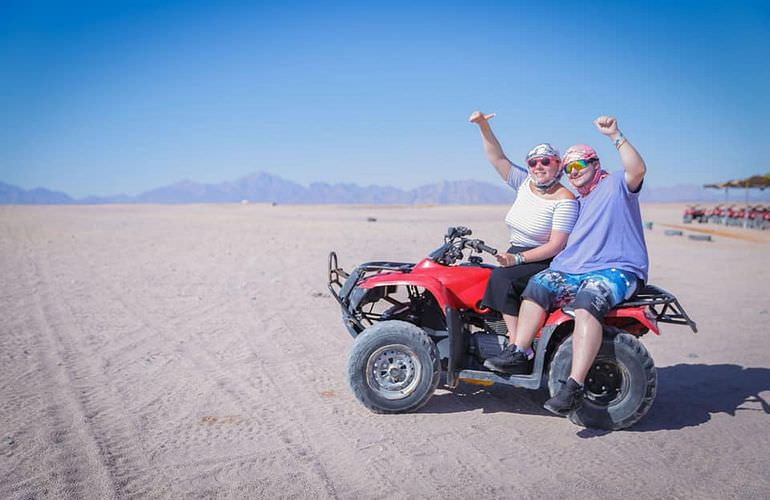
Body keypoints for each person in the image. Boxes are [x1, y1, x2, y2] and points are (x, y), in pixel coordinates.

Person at [483, 115, 648, 416]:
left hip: (616, 269)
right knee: (538, 285)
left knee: (587, 303)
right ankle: (519, 349)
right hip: (575, 269)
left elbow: (637, 169)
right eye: (569, 168)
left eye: (578, 165)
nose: (573, 172)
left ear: (595, 165)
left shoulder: (615, 186)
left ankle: (573, 386)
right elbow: (500, 161)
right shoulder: (576, 200)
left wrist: (615, 135)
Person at [468, 111, 578, 362]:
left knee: (501, 279)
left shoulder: (565, 199)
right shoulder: (524, 183)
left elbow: (556, 245)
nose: (539, 167)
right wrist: (483, 126)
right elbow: (496, 157)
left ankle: (519, 348)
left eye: (546, 162)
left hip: (543, 258)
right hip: (516, 250)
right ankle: (509, 341)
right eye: (533, 162)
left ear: (558, 165)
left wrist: (518, 261)